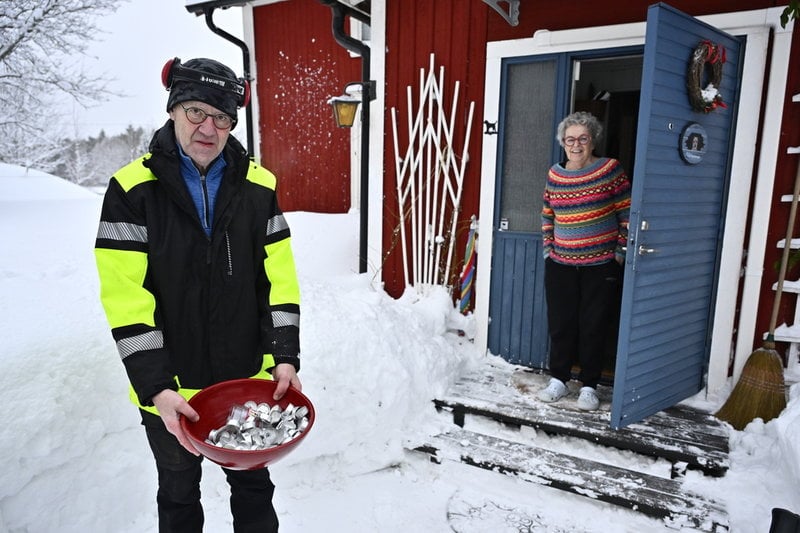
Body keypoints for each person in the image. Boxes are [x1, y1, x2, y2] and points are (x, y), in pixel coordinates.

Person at [94, 57, 301, 532]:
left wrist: (284, 356)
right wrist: (157, 387)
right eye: (196, 112)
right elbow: (126, 297)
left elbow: (278, 281)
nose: (209, 127)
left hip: (245, 381)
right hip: (171, 390)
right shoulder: (131, 190)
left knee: (253, 490)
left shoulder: (258, 187)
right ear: (173, 110)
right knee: (178, 492)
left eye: (222, 117)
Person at [538, 111, 631, 411]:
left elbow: (626, 213)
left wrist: (619, 254)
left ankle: (589, 385)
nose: (576, 145)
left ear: (592, 140)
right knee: (561, 324)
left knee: (594, 325)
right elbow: (547, 214)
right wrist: (548, 250)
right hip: (560, 265)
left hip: (600, 266)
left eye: (582, 138)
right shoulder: (555, 174)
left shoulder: (610, 170)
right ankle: (559, 379)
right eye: (570, 140)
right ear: (562, 143)